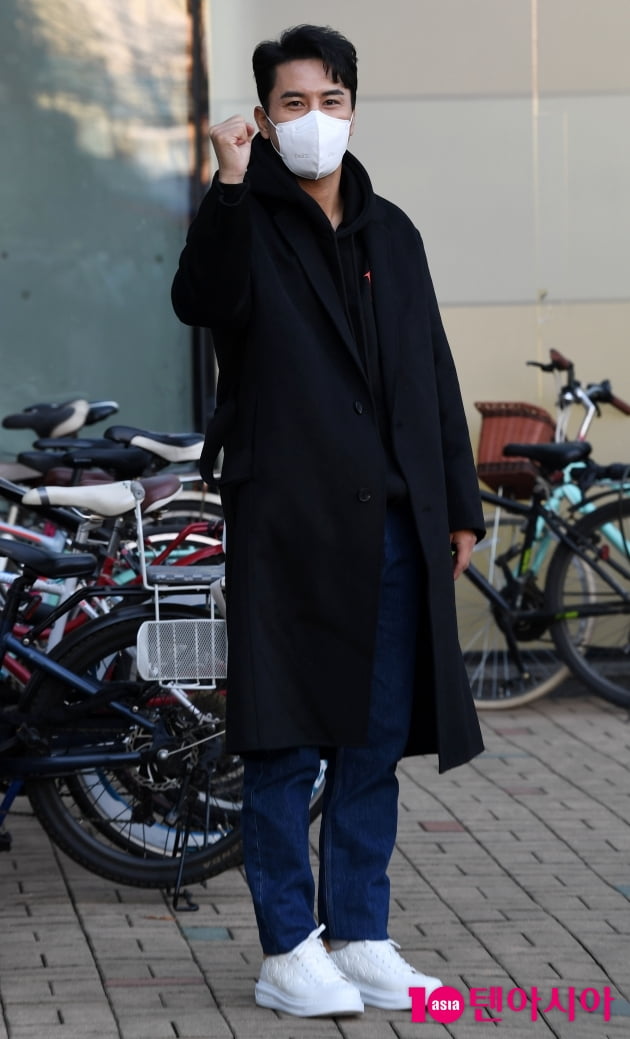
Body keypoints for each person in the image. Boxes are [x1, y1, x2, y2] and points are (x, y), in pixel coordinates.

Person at [171, 23, 485, 1019]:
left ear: (354, 107)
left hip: (389, 528)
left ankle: (361, 933)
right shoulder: (246, 219)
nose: (316, 119)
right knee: (285, 740)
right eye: (293, 104)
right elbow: (201, 299)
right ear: (265, 119)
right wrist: (228, 183)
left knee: (371, 742)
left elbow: (432, 373)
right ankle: (287, 950)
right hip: (290, 525)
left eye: (331, 101)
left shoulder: (392, 233)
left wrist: (459, 503)